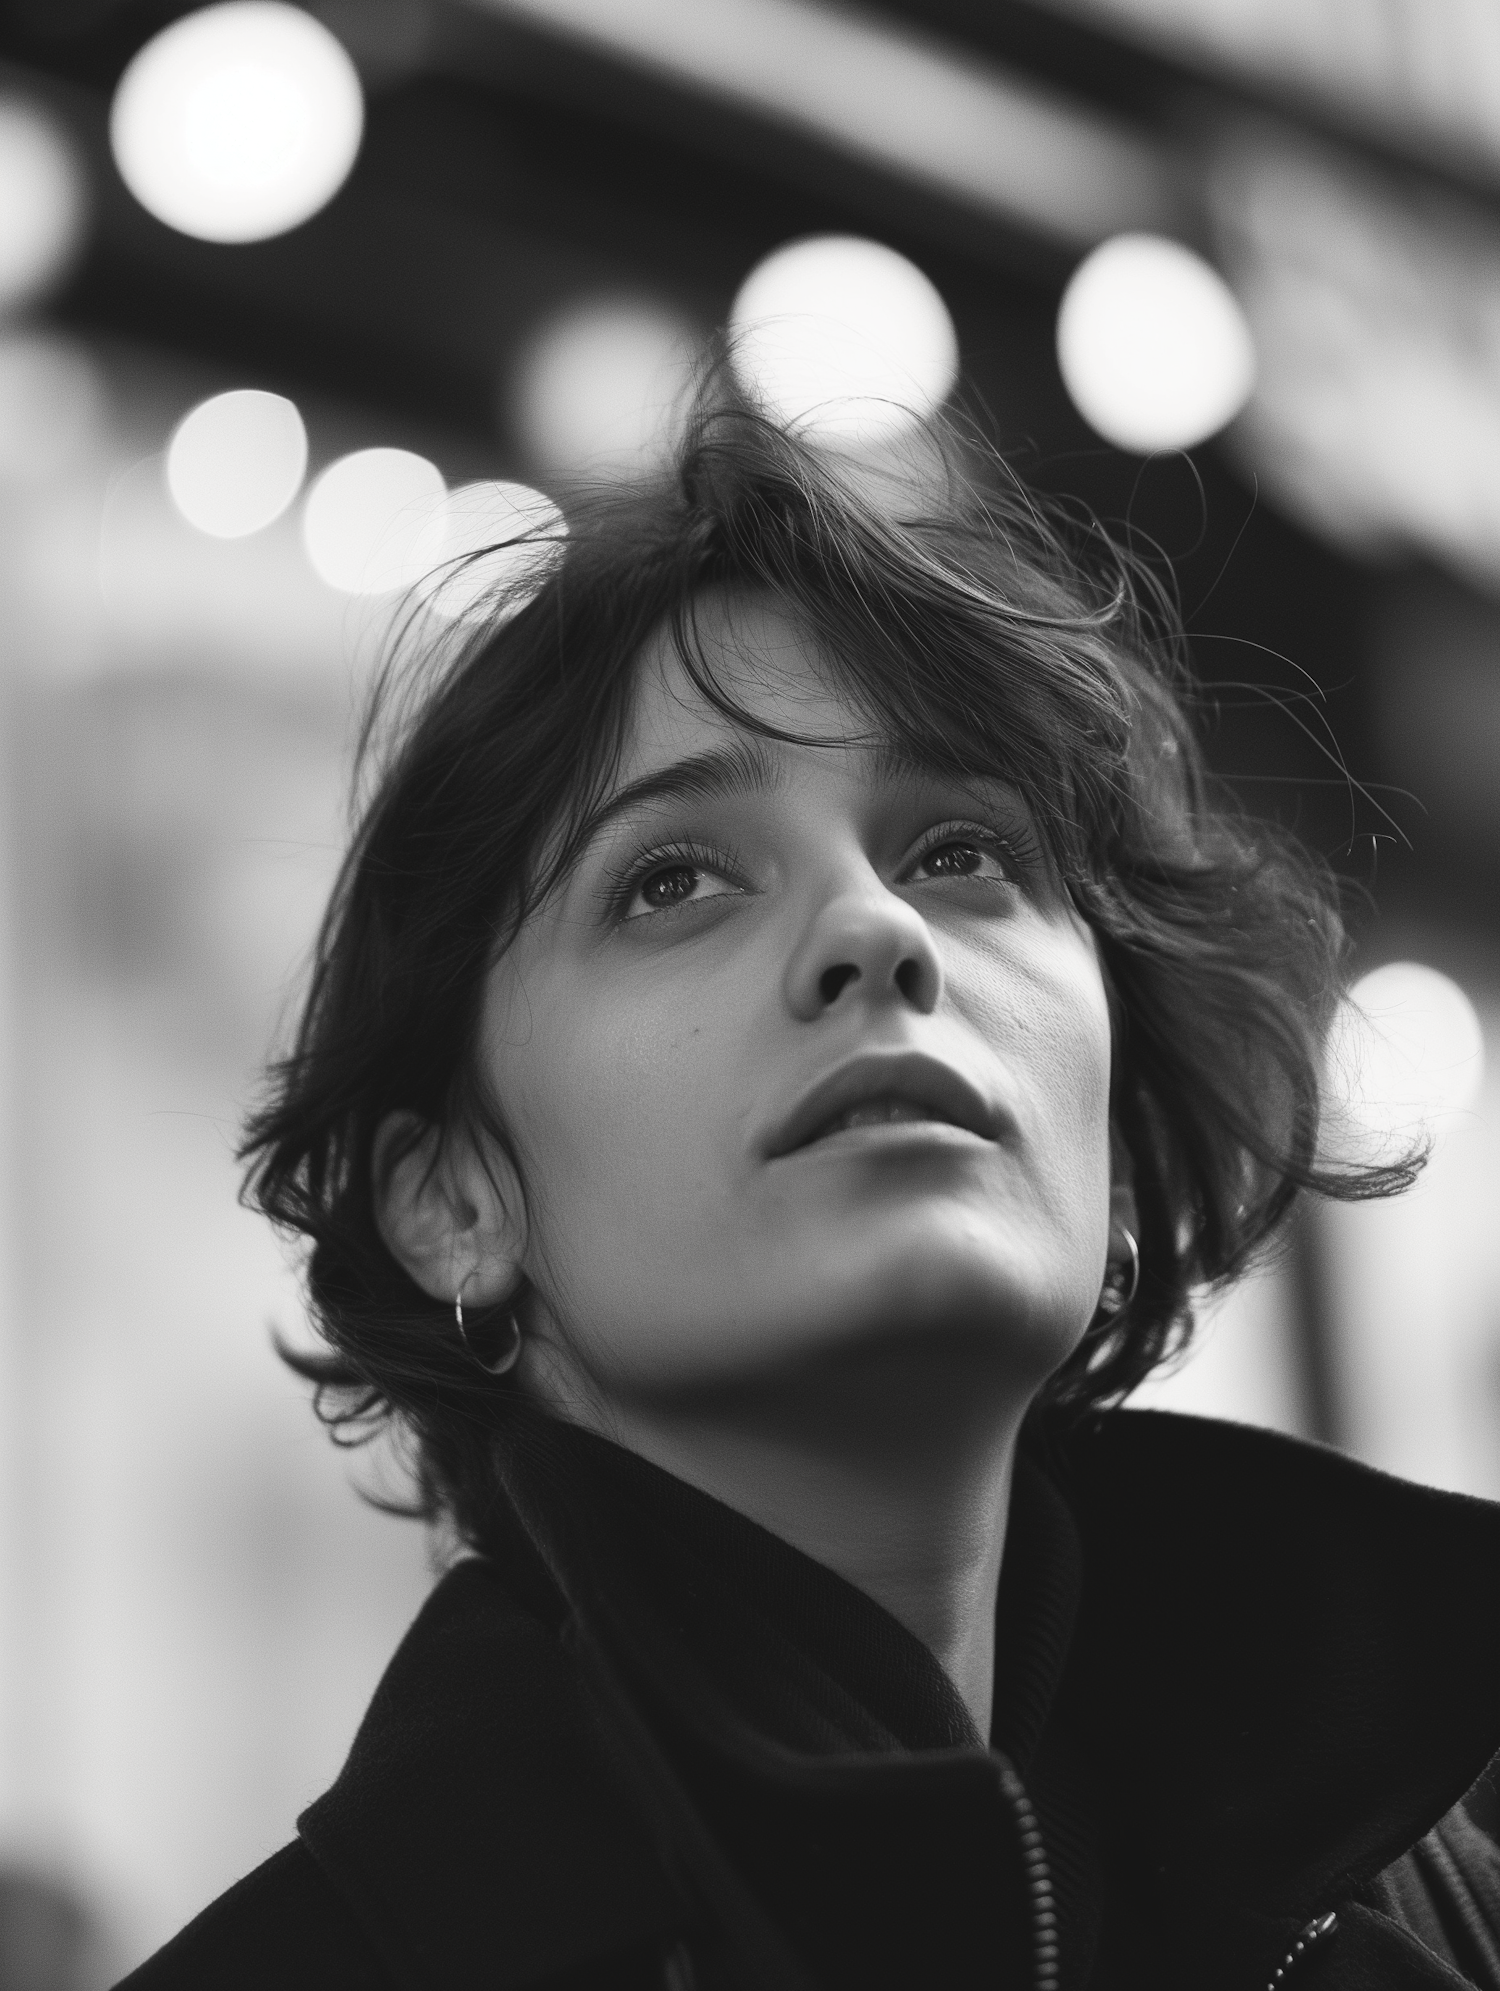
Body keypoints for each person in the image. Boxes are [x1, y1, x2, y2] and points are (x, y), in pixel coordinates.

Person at [119, 384, 1500, 1991]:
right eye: (673, 879)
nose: (877, 929)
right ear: (453, 1202)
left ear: (1115, 1126)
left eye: (962, 852)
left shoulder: (1439, 1900)